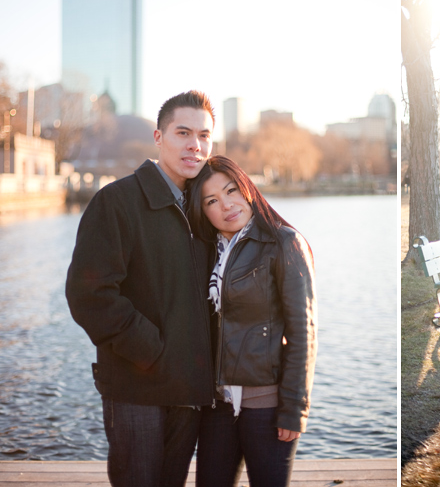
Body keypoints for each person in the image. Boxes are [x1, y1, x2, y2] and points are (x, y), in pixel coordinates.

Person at [65, 91, 217, 486]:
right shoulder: (116, 202)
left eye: (204, 135)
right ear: (158, 137)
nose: (194, 145)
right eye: (183, 132)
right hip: (137, 386)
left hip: (190, 390)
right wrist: (149, 349)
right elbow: (89, 295)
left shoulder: (207, 207)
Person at [187, 155, 317, 487]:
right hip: (218, 405)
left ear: (246, 188)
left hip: (267, 407)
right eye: (212, 201)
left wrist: (293, 409)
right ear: (203, 211)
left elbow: (304, 334)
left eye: (231, 191)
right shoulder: (207, 252)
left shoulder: (283, 243)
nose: (227, 205)